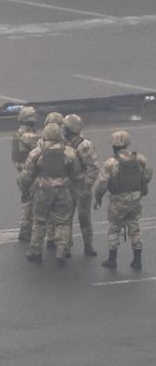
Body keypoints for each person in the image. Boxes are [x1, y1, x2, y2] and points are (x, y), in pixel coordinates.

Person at [20, 122, 79, 266]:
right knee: (63, 222)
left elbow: (26, 176)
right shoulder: (69, 152)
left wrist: (25, 190)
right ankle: (61, 252)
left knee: (39, 221)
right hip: (63, 191)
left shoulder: (36, 153)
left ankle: (36, 251)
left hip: (42, 191)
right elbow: (76, 173)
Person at [94, 130, 151, 271]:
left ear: (113, 145)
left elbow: (102, 184)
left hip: (118, 200)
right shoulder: (139, 158)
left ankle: (112, 259)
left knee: (114, 229)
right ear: (128, 143)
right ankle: (137, 260)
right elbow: (148, 173)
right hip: (135, 199)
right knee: (135, 228)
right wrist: (143, 186)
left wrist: (98, 198)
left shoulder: (110, 163)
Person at [61, 114, 98, 257]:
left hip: (80, 184)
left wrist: (87, 186)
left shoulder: (84, 145)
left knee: (84, 217)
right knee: (65, 218)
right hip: (67, 184)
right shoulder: (63, 143)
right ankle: (65, 247)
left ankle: (88, 245)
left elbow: (93, 167)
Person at [11, 106, 40, 242]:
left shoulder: (18, 133)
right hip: (30, 171)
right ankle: (32, 232)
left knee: (27, 200)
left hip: (22, 170)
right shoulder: (29, 136)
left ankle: (24, 230)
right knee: (34, 203)